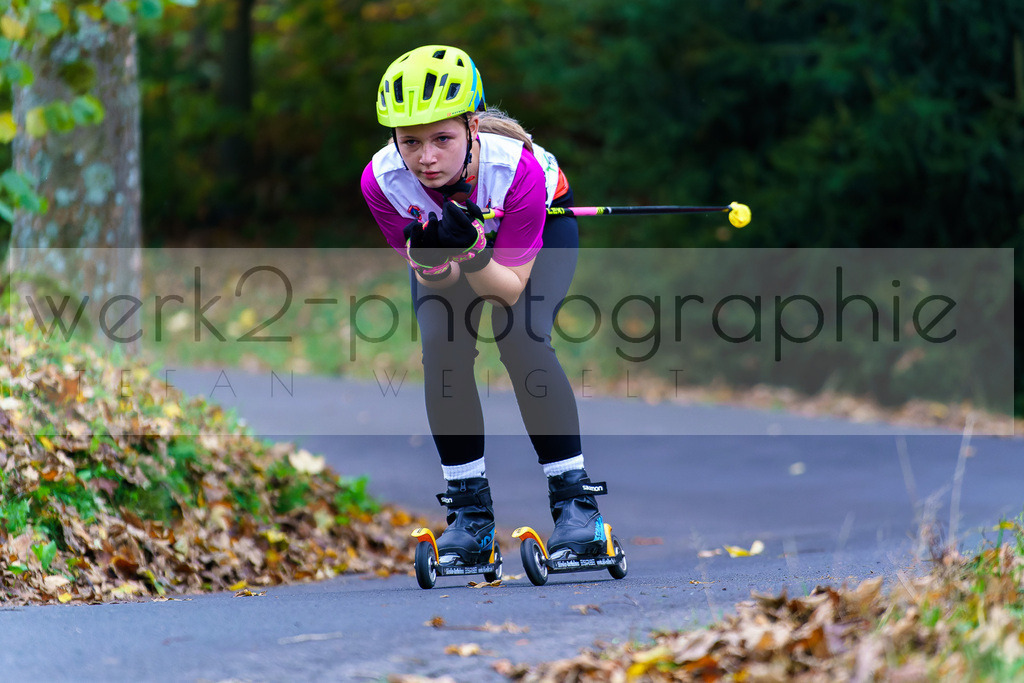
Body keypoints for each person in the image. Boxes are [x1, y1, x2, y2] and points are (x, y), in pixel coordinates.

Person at [361, 45, 611, 565]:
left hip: (538, 232)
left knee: (521, 338)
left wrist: (473, 249)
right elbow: (435, 277)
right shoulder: (383, 181)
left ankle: (577, 506)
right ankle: (470, 518)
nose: (426, 157)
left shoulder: (515, 168)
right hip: (465, 249)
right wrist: (434, 257)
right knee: (443, 350)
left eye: (442, 139)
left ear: (473, 128)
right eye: (410, 142)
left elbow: (508, 288)